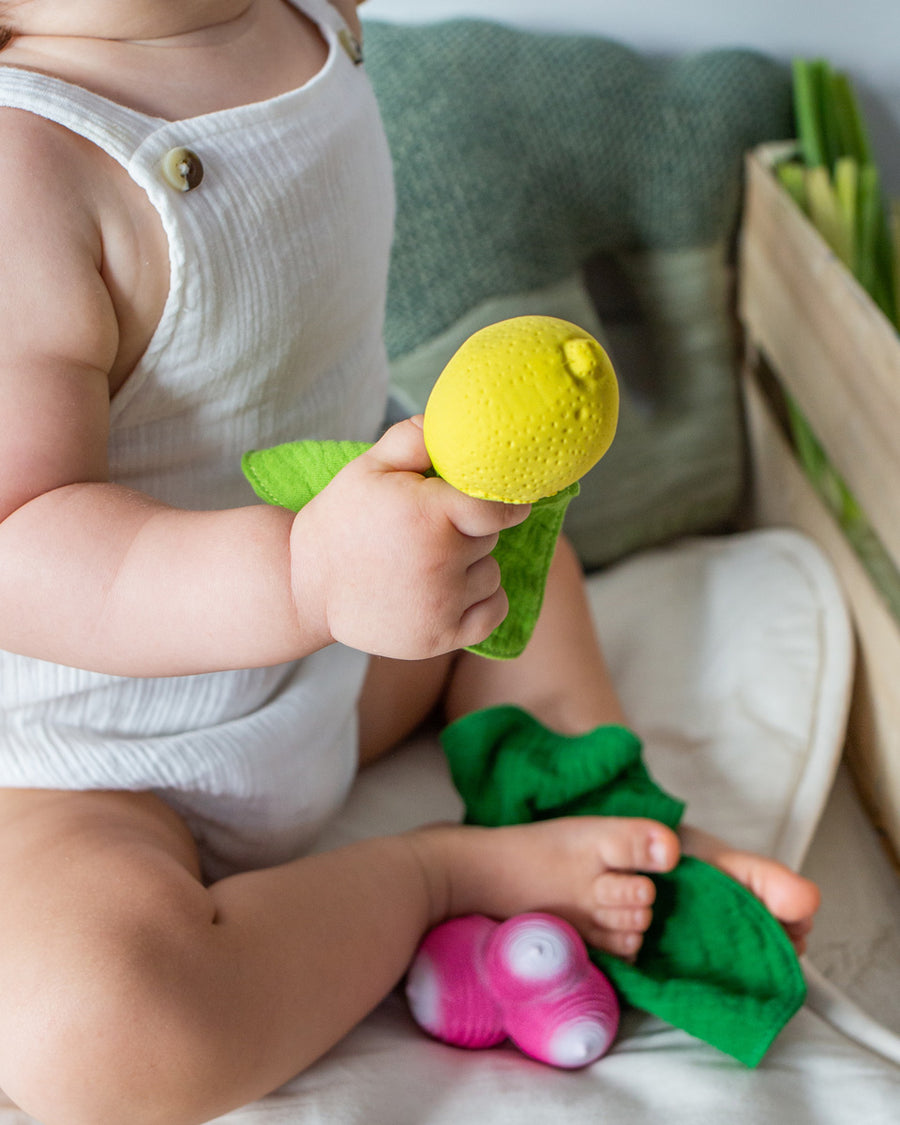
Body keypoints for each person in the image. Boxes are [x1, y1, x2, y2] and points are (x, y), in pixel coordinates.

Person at [0, 2, 820, 1122]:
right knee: (93, 1037)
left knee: (518, 575)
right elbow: (21, 538)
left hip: (344, 660)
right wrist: (305, 578)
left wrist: (380, 570)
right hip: (89, 757)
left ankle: (596, 811)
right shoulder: (28, 165)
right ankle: (438, 875)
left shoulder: (313, 18)